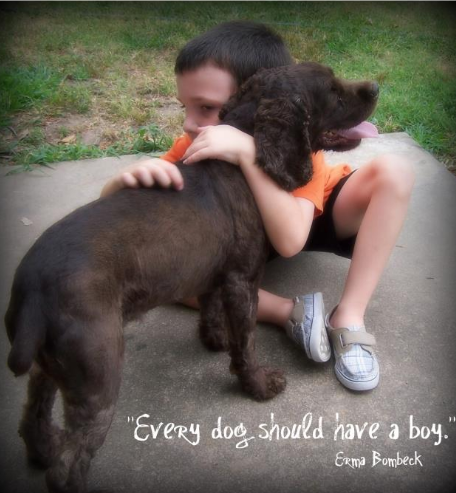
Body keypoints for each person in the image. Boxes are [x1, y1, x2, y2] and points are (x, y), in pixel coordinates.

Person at [100, 21, 415, 392]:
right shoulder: (195, 145)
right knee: (167, 275)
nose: (189, 124)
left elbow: (291, 240)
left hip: (310, 217)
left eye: (207, 108)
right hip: (241, 240)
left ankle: (348, 316)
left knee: (395, 173)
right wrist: (120, 184)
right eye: (185, 107)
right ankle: (290, 312)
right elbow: (131, 220)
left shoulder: (299, 140)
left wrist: (248, 154)